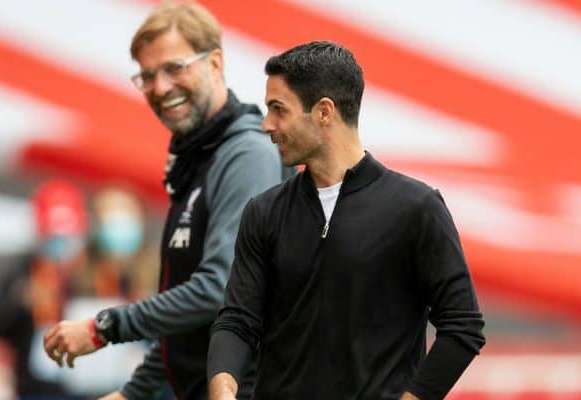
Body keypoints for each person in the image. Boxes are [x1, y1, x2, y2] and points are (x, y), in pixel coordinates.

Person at [207, 41, 486, 400]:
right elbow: (237, 321)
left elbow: (463, 327)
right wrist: (223, 387)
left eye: (279, 109)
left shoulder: (417, 208)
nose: (267, 125)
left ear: (324, 111)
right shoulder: (263, 212)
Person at [43, 3, 291, 400]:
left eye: (175, 68)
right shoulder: (198, 159)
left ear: (215, 63)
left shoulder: (247, 154)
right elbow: (189, 321)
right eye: (147, 75)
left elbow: (219, 288)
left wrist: (103, 327)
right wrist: (134, 392)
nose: (160, 87)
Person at [0, 179, 90, 399]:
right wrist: (18, 302)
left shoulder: (87, 275)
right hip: (32, 386)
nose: (60, 243)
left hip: (82, 384)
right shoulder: (20, 272)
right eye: (53, 235)